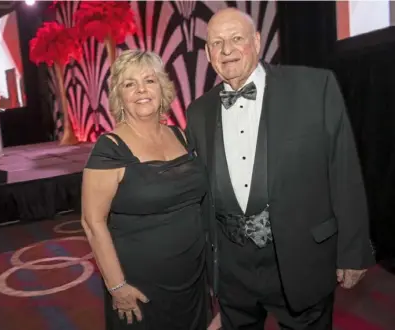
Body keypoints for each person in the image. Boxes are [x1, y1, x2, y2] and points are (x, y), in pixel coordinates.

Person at [185, 8, 375, 330]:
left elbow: (344, 172)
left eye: (236, 39)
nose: (227, 50)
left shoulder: (315, 87)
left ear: (257, 42)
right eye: (217, 43)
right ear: (207, 53)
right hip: (232, 269)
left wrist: (353, 252)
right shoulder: (198, 111)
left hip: (301, 257)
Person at [81, 49, 209, 329]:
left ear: (161, 88)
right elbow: (93, 223)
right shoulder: (110, 148)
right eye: (129, 84)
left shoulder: (181, 135)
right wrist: (116, 286)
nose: (141, 90)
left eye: (149, 81)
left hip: (194, 277)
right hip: (141, 286)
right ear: (120, 96)